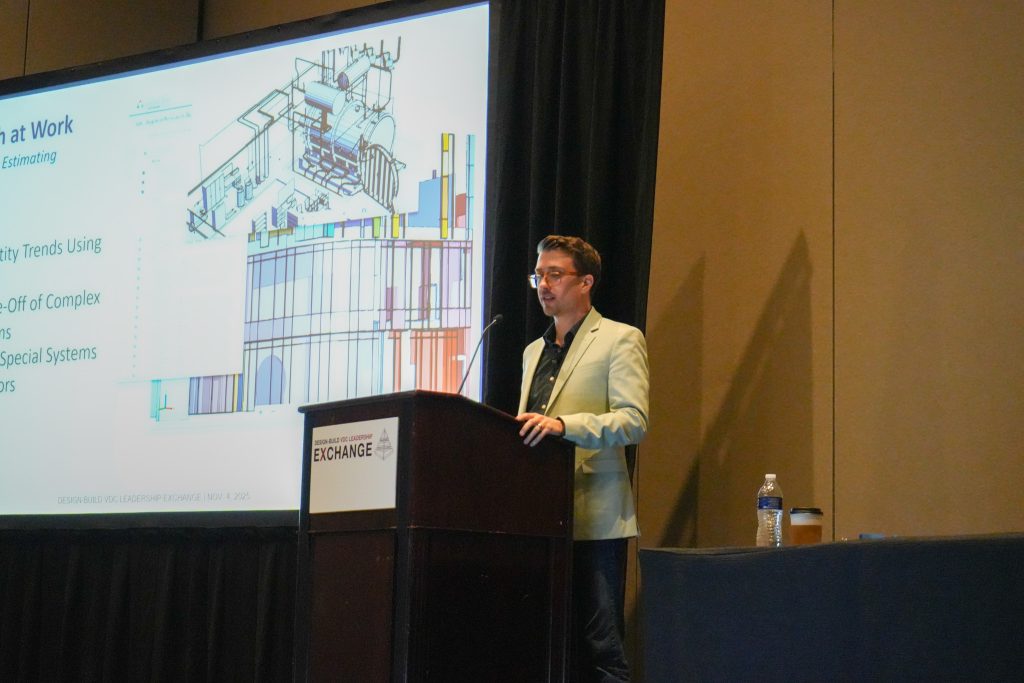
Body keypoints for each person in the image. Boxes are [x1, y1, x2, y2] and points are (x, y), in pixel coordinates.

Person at [515, 235, 650, 683]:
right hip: (538, 520)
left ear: (586, 281)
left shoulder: (620, 339)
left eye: (555, 274)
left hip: (594, 518)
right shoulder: (532, 352)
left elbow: (634, 421)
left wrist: (563, 425)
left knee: (600, 647)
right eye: (539, 275)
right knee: (546, 644)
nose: (543, 284)